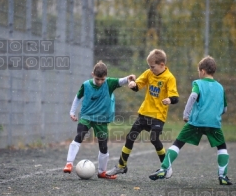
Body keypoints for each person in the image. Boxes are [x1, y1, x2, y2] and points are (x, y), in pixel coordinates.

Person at [149, 56, 232, 185]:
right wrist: (215, 114)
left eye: (199, 71)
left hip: (196, 122)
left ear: (203, 71)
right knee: (222, 147)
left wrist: (186, 114)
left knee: (178, 143)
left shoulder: (198, 83)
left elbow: (193, 96)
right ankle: (223, 176)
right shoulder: (220, 87)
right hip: (214, 124)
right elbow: (225, 108)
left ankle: (164, 169)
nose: (198, 74)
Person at [106, 49, 179, 178]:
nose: (151, 69)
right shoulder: (148, 73)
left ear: (162, 65)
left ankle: (166, 168)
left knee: (154, 139)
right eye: (149, 67)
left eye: (153, 67)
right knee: (130, 137)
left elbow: (175, 97)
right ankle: (121, 166)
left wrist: (169, 99)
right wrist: (132, 84)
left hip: (158, 116)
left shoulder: (169, 78)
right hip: (144, 113)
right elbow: (137, 86)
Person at [63, 60, 135, 179]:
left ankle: (102, 172)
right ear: (93, 75)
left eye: (102, 79)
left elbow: (121, 81)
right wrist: (72, 112)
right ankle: (69, 163)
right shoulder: (86, 84)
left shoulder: (109, 83)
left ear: (105, 77)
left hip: (101, 119)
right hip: (86, 116)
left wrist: (129, 78)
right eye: (97, 79)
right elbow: (78, 97)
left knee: (103, 146)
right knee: (80, 135)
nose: (100, 82)